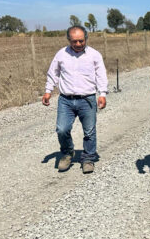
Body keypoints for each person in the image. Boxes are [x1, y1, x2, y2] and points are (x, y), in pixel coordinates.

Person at [42, 25, 108, 174]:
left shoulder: (94, 55)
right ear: (69, 40)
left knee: (89, 132)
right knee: (62, 129)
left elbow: (101, 75)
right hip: (66, 100)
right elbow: (53, 73)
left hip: (87, 99)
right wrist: (48, 91)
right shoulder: (61, 54)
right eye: (74, 41)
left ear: (86, 39)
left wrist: (102, 93)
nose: (78, 44)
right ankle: (67, 153)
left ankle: (88, 158)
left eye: (81, 41)